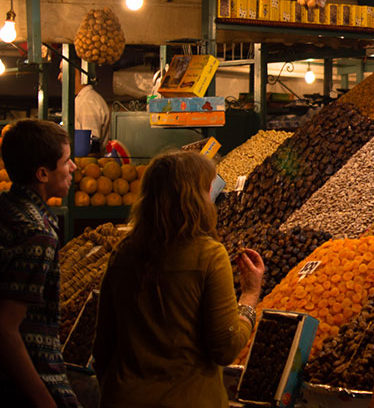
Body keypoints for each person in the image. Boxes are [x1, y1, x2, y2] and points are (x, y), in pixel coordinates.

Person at [91, 151, 264, 408]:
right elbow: (225, 348)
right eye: (210, 189)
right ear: (195, 198)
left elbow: (102, 345)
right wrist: (249, 295)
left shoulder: (123, 252)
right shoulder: (209, 255)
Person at [0, 119, 81, 407]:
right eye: (66, 161)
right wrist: (45, 401)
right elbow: (6, 331)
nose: (73, 168)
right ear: (43, 173)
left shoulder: (7, 208)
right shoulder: (36, 235)